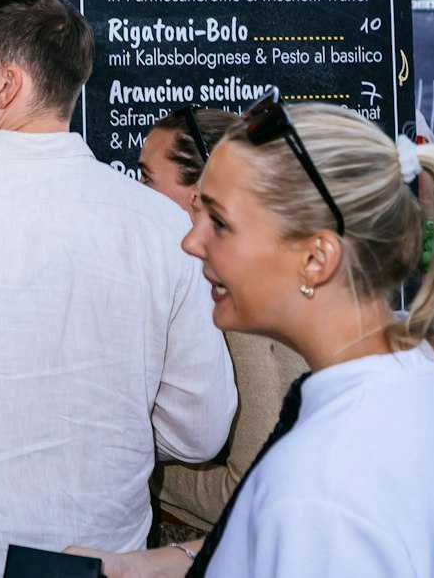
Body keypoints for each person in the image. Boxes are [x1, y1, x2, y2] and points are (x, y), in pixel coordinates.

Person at [71, 99, 434, 577]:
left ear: (316, 258)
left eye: (220, 222)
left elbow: (310, 522)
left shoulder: (318, 483)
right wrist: (149, 564)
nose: (191, 241)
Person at [0, 0, 235, 575]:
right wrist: (107, 425)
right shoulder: (162, 227)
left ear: (8, 86)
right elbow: (199, 431)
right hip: (93, 563)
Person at [140, 107, 310, 547]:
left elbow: (247, 488)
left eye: (147, 179)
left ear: (202, 192)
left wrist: (131, 462)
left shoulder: (241, 298)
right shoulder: (253, 274)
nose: (135, 193)